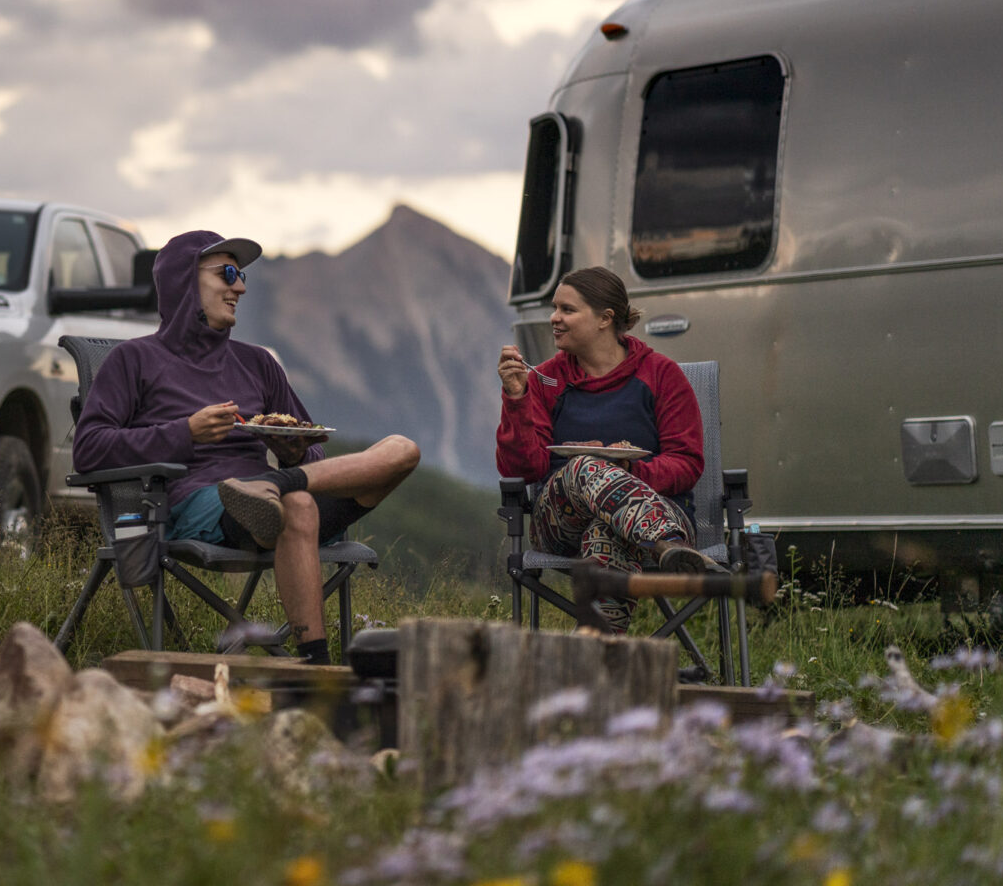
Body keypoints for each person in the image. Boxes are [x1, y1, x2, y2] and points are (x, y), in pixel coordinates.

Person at [73, 230, 419, 663]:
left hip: (276, 493)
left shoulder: (258, 362)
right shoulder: (134, 359)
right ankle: (317, 665)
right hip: (199, 502)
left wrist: (293, 453)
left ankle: (277, 484)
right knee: (299, 506)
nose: (240, 286)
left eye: (242, 276)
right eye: (229, 273)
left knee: (402, 450)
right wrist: (186, 432)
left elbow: (314, 448)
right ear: (185, 280)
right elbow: (88, 448)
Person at [495, 265, 710, 632]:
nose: (554, 318)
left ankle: (593, 663)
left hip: (649, 517)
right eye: (555, 308)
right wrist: (517, 397)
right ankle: (663, 543)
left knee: (606, 534)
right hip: (563, 523)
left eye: (567, 309)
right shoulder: (546, 379)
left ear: (604, 319)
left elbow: (687, 462)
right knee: (583, 467)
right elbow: (523, 469)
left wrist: (631, 472)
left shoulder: (661, 375)